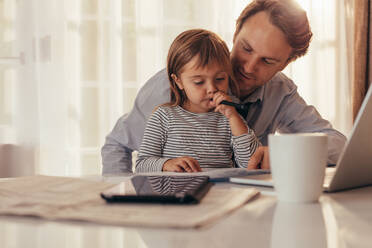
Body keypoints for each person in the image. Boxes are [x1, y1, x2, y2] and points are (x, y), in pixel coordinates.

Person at [101, 0, 346, 174]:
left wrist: (288, 155)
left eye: (268, 61)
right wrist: (124, 199)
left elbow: (338, 145)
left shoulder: (280, 91)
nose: (248, 67)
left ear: (285, 64)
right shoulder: (171, 89)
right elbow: (118, 145)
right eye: (246, 48)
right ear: (235, 32)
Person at [135, 29, 260, 173]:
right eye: (199, 82)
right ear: (178, 81)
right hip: (176, 192)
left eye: (220, 79)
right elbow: (141, 165)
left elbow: (251, 164)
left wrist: (233, 117)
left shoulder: (230, 118)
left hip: (220, 191)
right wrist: (167, 164)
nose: (212, 88)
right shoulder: (163, 117)